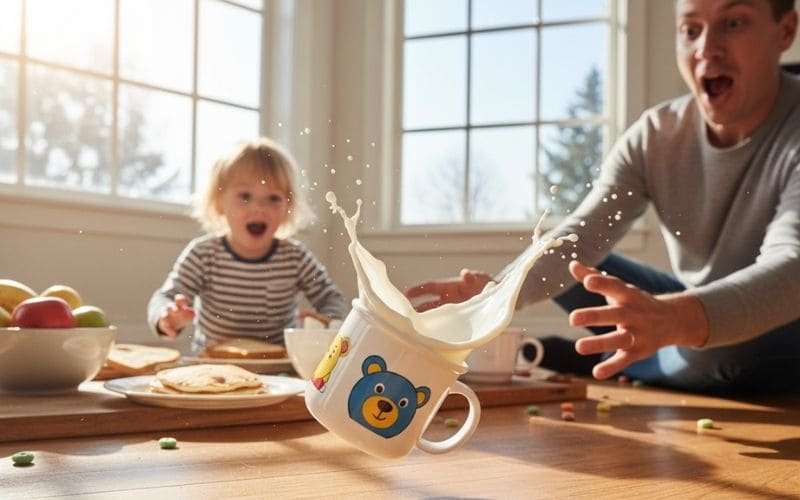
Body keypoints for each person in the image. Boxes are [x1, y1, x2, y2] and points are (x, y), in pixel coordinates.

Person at [406, 0, 800, 394]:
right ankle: (642, 349)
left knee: (711, 347)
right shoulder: (655, 136)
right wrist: (495, 293)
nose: (706, 49)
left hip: (785, 322)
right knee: (578, 266)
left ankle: (622, 359)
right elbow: (584, 234)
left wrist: (682, 320)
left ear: (786, 31)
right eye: (691, 30)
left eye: (733, 23)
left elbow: (792, 265)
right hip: (691, 304)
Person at [148, 137, 347, 351]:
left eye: (273, 198)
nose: (259, 208)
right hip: (214, 365)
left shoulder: (294, 257)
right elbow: (164, 296)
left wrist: (328, 321)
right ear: (219, 202)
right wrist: (167, 317)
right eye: (245, 196)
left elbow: (330, 296)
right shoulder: (204, 254)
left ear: (288, 206)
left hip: (279, 368)